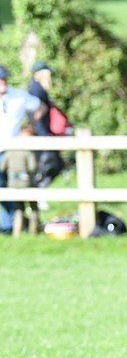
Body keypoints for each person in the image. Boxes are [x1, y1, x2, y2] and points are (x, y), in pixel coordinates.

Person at [0, 64, 46, 235]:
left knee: (12, 187)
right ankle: (8, 223)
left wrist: (29, 126)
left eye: (4, 78)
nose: (2, 82)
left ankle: (9, 225)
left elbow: (40, 107)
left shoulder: (18, 96)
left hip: (12, 151)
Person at [27, 61, 65, 187]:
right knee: (50, 165)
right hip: (41, 133)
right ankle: (37, 193)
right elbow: (37, 113)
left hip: (43, 132)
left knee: (52, 164)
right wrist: (42, 132)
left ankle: (37, 194)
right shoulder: (36, 89)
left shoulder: (36, 88)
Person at [0, 124, 41, 236]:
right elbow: (33, 167)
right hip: (27, 183)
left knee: (19, 208)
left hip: (13, 184)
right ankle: (34, 231)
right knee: (33, 207)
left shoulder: (10, 150)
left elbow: (2, 167)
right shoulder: (28, 151)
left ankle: (16, 232)